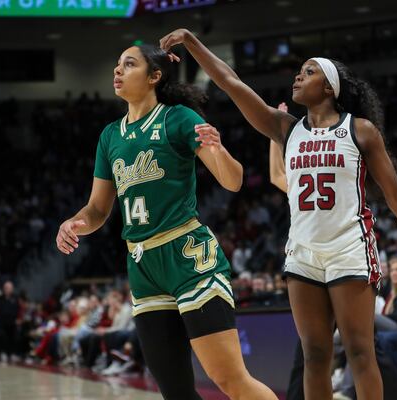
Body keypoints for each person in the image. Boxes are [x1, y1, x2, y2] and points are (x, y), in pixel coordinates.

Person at [160, 29, 397, 400]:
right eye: (299, 72)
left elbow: (396, 195)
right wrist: (192, 42)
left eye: (309, 72)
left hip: (348, 248)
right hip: (303, 252)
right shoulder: (285, 128)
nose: (298, 76)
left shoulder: (360, 130)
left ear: (329, 88)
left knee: (359, 351)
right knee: (315, 356)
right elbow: (230, 82)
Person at [56, 44, 277, 400]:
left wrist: (218, 149)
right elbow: (97, 210)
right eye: (117, 64)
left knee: (231, 380)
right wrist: (74, 222)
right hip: (143, 266)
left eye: (128, 64)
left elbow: (233, 181)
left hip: (188, 256)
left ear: (154, 76)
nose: (117, 70)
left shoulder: (179, 118)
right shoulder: (110, 136)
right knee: (175, 391)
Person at [268, 104, 397, 400]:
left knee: (360, 349)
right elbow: (277, 176)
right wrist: (277, 136)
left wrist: (277, 135)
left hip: (350, 255)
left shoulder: (347, 163)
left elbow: (276, 176)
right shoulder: (299, 181)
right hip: (308, 260)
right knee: (320, 353)